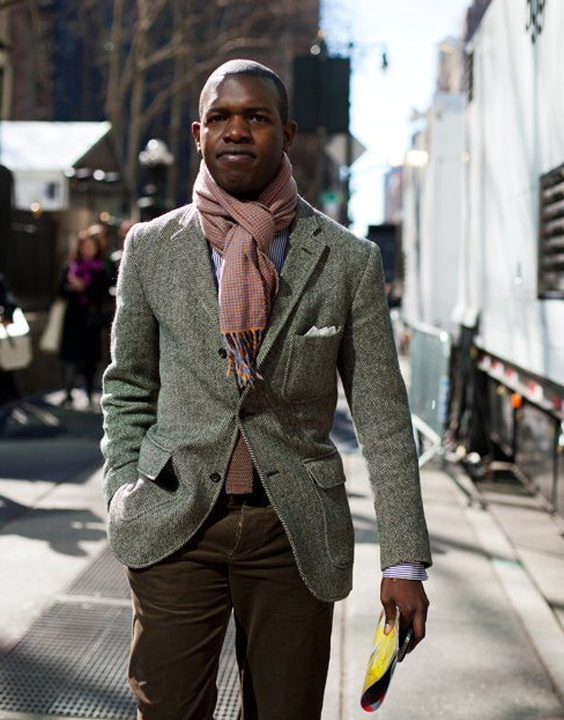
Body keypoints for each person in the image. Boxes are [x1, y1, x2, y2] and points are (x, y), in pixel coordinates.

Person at [101, 59, 431, 720]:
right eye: (221, 117)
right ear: (198, 133)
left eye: (255, 117)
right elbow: (128, 386)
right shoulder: (150, 248)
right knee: (165, 708)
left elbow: (383, 417)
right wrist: (123, 489)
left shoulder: (347, 260)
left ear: (287, 132)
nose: (237, 131)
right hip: (174, 519)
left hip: (294, 532)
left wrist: (405, 561)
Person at [59, 233, 109, 407]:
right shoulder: (70, 267)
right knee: (70, 359)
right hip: (73, 321)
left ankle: (89, 392)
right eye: (84, 246)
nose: (87, 249)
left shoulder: (100, 270)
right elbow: (60, 292)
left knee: (90, 360)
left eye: (91, 246)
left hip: (91, 321)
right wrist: (73, 288)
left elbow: (103, 296)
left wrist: (84, 288)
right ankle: (67, 392)